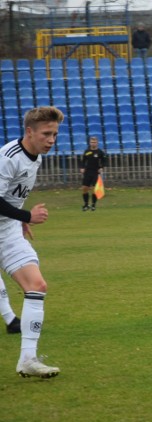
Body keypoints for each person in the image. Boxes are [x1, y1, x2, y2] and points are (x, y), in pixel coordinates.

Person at [0, 106, 64, 378]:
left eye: (55, 134)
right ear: (29, 132)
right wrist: (26, 214)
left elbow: (10, 196)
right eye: (46, 134)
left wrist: (19, 219)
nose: (51, 140)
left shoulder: (35, 156)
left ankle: (28, 359)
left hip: (8, 229)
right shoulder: (9, 157)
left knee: (37, 285)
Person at [79, 136, 106, 211]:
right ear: (89, 143)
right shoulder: (87, 151)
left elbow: (104, 161)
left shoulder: (100, 152)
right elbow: (83, 161)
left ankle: (93, 205)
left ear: (97, 143)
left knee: (95, 189)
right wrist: (82, 167)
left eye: (94, 142)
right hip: (87, 172)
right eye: (91, 142)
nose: (93, 143)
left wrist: (101, 167)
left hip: (95, 172)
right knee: (84, 188)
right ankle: (86, 204)